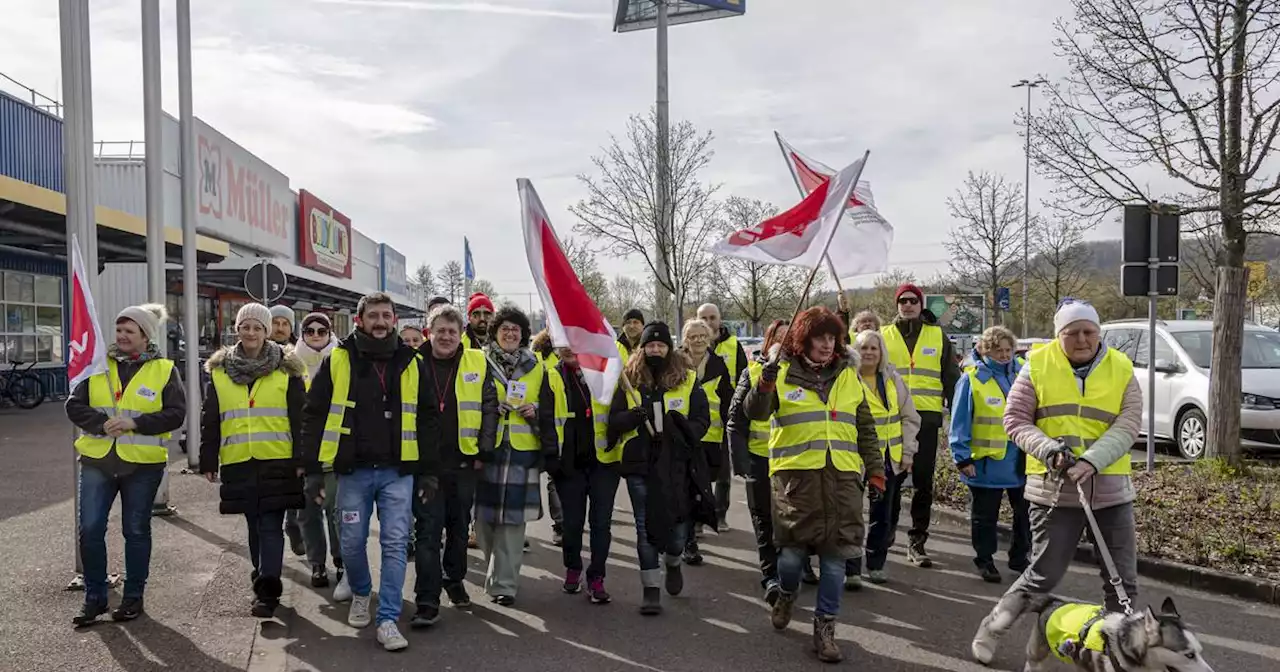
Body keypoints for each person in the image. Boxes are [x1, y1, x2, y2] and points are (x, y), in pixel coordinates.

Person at [971, 300, 1142, 665]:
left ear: (1099, 332)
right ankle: (993, 627)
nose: (1082, 339)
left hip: (1111, 489)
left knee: (1122, 582)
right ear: (1058, 335)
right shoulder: (1036, 365)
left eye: (1089, 332)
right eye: (1072, 333)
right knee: (1043, 576)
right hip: (1054, 491)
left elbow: (1128, 424)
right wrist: (1050, 451)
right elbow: (1015, 419)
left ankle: (1114, 654)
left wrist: (1092, 462)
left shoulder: (1122, 367)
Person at [301, 292, 442, 652]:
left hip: (399, 472)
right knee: (350, 541)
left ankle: (388, 619)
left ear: (394, 320)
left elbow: (428, 419)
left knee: (395, 544)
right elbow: (314, 414)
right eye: (373, 316)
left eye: (386, 316)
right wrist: (314, 470)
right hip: (353, 472)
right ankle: (362, 592)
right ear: (360, 320)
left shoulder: (413, 361)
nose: (380, 322)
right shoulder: (338, 359)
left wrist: (428, 473)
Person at [743, 306, 884, 664]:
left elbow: (864, 426)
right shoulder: (780, 371)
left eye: (832, 337)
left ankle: (825, 629)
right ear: (803, 339)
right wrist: (765, 383)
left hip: (842, 481)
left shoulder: (849, 375)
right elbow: (755, 412)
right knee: (790, 558)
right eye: (819, 337)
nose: (826, 344)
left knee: (836, 561)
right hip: (796, 483)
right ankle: (787, 594)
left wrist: (876, 468)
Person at [66, 303, 186, 626]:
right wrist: (101, 423)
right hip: (97, 459)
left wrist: (135, 424)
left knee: (135, 530)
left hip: (142, 466)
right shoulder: (96, 366)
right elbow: (73, 406)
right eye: (118, 330)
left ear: (145, 336)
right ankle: (95, 598)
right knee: (90, 529)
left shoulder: (164, 369)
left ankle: (133, 597)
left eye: (129, 331)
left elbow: (176, 413)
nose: (121, 336)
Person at [199, 304, 308, 618]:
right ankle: (262, 575)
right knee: (253, 526)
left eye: (257, 328)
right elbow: (211, 419)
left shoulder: (287, 368)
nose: (250, 333)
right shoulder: (219, 371)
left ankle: (267, 592)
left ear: (267, 331)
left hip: (278, 459)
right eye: (245, 327)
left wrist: (302, 459)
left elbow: (300, 418)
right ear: (237, 330)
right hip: (238, 460)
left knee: (271, 525)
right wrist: (208, 459)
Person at [607, 321, 715, 615]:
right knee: (644, 527)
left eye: (661, 345)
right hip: (640, 464)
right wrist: (632, 417)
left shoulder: (687, 379)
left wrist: (679, 431)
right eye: (650, 345)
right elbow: (614, 420)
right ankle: (651, 588)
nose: (655, 350)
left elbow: (702, 420)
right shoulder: (628, 379)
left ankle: (674, 561)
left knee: (679, 526)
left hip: (676, 464)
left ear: (669, 347)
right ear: (642, 349)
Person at [411, 304, 499, 626]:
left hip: (464, 461)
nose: (446, 337)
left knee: (459, 528)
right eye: (440, 331)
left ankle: (454, 579)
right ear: (429, 332)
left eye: (452, 331)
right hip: (426, 465)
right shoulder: (413, 363)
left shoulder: (476, 360)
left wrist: (484, 450)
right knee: (428, 532)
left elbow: (491, 406)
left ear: (460, 333)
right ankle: (426, 599)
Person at [472, 306, 558, 606]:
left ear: (523, 335)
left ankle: (504, 585)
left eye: (515, 330)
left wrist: (535, 412)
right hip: (488, 449)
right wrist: (489, 410)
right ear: (495, 332)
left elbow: (549, 412)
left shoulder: (537, 366)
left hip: (522, 451)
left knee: (512, 523)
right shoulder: (479, 362)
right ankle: (497, 570)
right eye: (504, 328)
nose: (510, 333)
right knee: (483, 523)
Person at [880, 283, 960, 568]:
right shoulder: (884, 336)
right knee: (891, 480)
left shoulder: (937, 335)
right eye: (903, 300)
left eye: (913, 300)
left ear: (921, 303)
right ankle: (885, 533)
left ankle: (917, 541)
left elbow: (952, 377)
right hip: (893, 420)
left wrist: (958, 417)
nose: (908, 305)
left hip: (926, 419)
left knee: (923, 483)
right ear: (897, 304)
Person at [950, 326, 1031, 584]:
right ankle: (984, 560)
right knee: (985, 517)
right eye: (998, 351)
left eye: (1008, 350)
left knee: (1025, 514)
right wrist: (962, 457)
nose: (1005, 355)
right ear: (986, 351)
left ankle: (1020, 558)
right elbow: (959, 421)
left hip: (1021, 459)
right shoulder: (971, 379)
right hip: (985, 462)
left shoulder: (1024, 373)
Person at [846, 329, 920, 589]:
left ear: (881, 352)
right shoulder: (847, 379)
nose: (868, 353)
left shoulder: (892, 379)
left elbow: (910, 417)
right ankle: (851, 569)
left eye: (873, 348)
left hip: (889, 458)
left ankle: (876, 564)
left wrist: (908, 451)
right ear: (856, 351)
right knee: (852, 514)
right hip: (855, 457)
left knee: (882, 515)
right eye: (863, 348)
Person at [547, 345, 620, 604]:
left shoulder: (605, 373)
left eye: (574, 343)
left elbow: (619, 410)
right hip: (569, 466)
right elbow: (546, 419)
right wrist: (551, 460)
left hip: (604, 462)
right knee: (572, 524)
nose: (569, 349)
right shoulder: (551, 375)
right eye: (562, 343)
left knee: (601, 524)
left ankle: (596, 577)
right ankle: (573, 567)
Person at [727, 319, 788, 605]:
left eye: (792, 337)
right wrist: (741, 462)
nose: (785, 342)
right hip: (760, 459)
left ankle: (797, 566)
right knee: (763, 520)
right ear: (769, 341)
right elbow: (736, 421)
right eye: (779, 337)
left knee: (792, 522)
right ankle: (771, 576)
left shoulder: (806, 375)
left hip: (792, 461)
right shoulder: (752, 371)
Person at [294, 313, 346, 595]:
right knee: (308, 511)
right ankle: (317, 563)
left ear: (330, 332)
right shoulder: (291, 363)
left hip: (336, 447)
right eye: (309, 330)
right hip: (305, 447)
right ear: (302, 333)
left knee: (337, 510)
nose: (315, 335)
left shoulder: (342, 360)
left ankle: (340, 561)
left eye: (321, 330)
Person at [677, 318, 733, 565]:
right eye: (692, 335)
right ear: (684, 339)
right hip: (681, 436)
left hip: (711, 437)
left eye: (702, 335)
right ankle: (689, 540)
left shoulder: (719, 364)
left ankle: (695, 525)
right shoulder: (675, 362)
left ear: (710, 338)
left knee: (701, 487)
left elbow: (729, 401)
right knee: (686, 487)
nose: (698, 340)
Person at [695, 304, 745, 533]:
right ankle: (696, 519)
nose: (708, 321)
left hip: (725, 418)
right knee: (697, 473)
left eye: (712, 317)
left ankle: (720, 515)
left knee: (723, 473)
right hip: (695, 422)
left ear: (720, 319)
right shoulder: (688, 348)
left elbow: (745, 379)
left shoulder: (734, 346)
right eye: (703, 317)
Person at [267, 304, 305, 555]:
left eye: (285, 324)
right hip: (263, 440)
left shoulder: (295, 357)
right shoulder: (253, 354)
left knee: (294, 491)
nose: (280, 328)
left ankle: (293, 527)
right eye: (276, 322)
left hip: (290, 438)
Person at [530, 329, 564, 545]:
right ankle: (559, 524)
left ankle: (566, 522)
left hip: (568, 425)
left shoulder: (573, 351)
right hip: (545, 424)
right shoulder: (538, 355)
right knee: (553, 479)